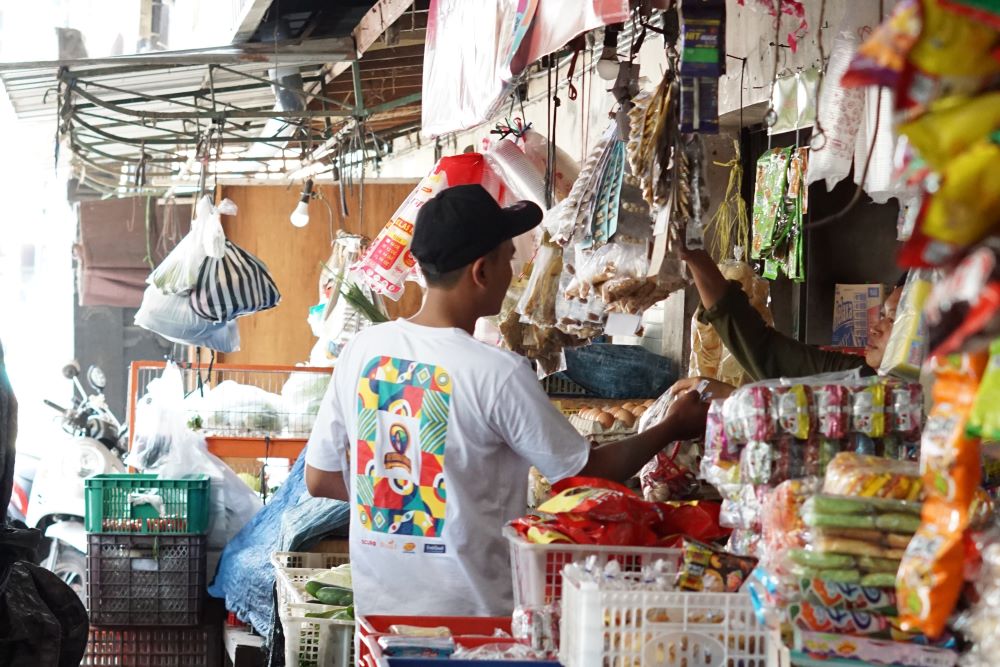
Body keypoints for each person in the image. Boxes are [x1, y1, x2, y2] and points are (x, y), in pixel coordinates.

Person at [305, 185, 708, 617]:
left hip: (379, 618)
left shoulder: (363, 350)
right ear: (481, 271)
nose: (512, 274)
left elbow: (321, 478)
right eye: (508, 260)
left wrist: (403, 499)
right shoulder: (496, 372)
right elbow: (586, 474)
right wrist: (671, 426)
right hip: (472, 625)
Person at [677, 243, 904, 382]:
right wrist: (694, 256)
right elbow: (767, 351)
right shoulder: (857, 374)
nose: (874, 328)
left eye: (892, 319)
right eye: (882, 316)